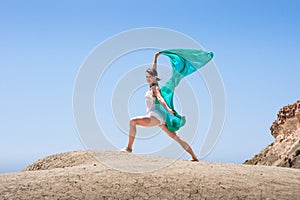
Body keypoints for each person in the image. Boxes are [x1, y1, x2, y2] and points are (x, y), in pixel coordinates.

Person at [122, 52, 199, 161]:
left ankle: (129, 148)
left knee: (132, 122)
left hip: (155, 117)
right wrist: (156, 57)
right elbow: (154, 69)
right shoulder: (152, 86)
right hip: (159, 118)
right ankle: (194, 157)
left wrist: (168, 109)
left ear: (154, 78)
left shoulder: (154, 88)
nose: (148, 78)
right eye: (146, 77)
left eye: (150, 77)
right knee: (177, 138)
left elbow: (160, 98)